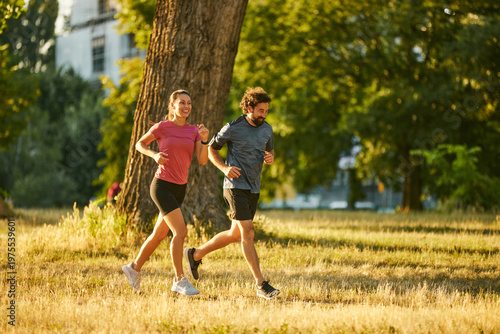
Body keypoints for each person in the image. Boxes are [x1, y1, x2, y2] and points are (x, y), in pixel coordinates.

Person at [184, 87, 280, 299]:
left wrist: (270, 157)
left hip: (254, 187)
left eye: (266, 111)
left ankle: (195, 254)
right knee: (248, 232)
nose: (264, 115)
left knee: (235, 234)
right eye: (260, 111)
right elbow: (211, 149)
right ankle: (261, 284)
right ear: (249, 108)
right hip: (235, 186)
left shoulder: (267, 129)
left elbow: (269, 150)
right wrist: (225, 169)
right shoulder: (233, 127)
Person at [122, 90, 209, 295]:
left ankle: (133, 269)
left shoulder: (194, 131)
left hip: (180, 188)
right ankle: (179, 279)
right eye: (181, 103)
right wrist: (154, 155)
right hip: (161, 186)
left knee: (160, 233)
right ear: (172, 106)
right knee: (180, 232)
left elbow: (203, 160)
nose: (186, 106)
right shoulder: (162, 127)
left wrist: (204, 140)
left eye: (189, 103)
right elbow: (139, 144)